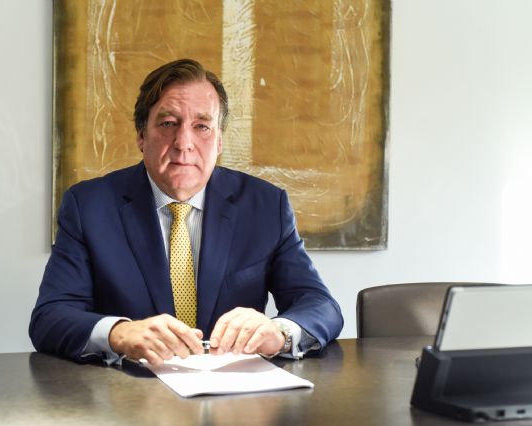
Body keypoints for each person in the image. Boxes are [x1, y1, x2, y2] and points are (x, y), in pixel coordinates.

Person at [29, 58, 343, 366]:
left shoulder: (265, 206)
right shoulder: (89, 206)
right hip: (131, 390)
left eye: (202, 126)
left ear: (219, 141)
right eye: (168, 124)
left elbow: (320, 305)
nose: (184, 143)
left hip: (234, 391)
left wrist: (280, 333)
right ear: (141, 135)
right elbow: (50, 317)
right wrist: (118, 333)